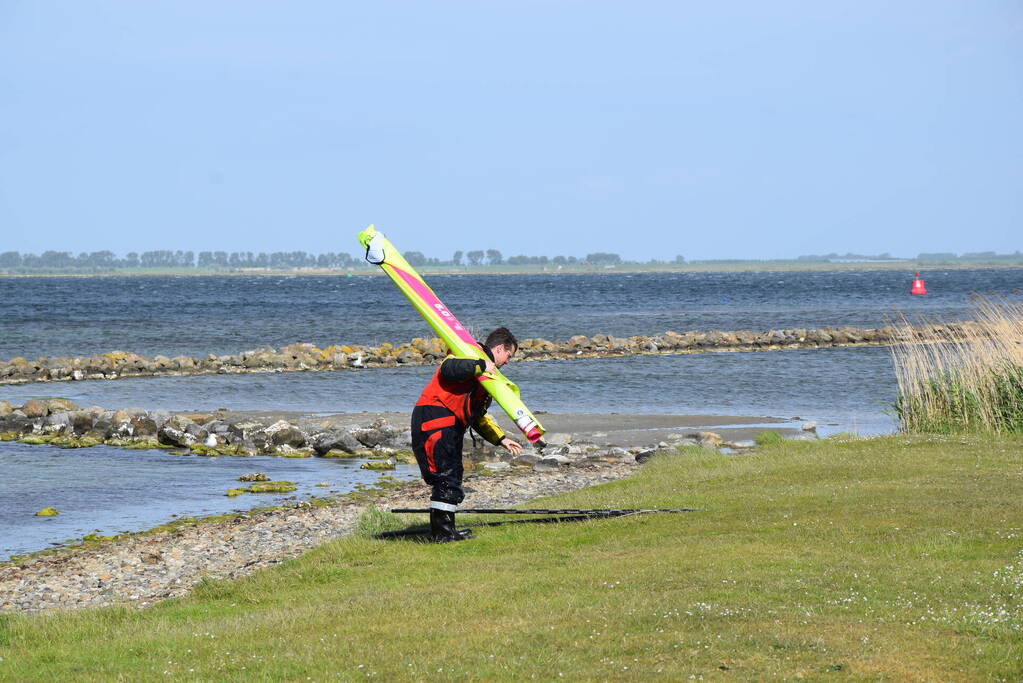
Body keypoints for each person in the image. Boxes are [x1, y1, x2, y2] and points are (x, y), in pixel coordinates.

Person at [411, 326, 524, 542]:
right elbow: (448, 369)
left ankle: (447, 530)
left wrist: (501, 439)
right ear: (500, 348)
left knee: (451, 476)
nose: (508, 362)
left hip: (448, 423)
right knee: (444, 477)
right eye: (509, 355)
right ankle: (442, 535)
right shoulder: (469, 354)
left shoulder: (485, 376)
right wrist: (482, 365)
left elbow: (477, 416)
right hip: (435, 418)